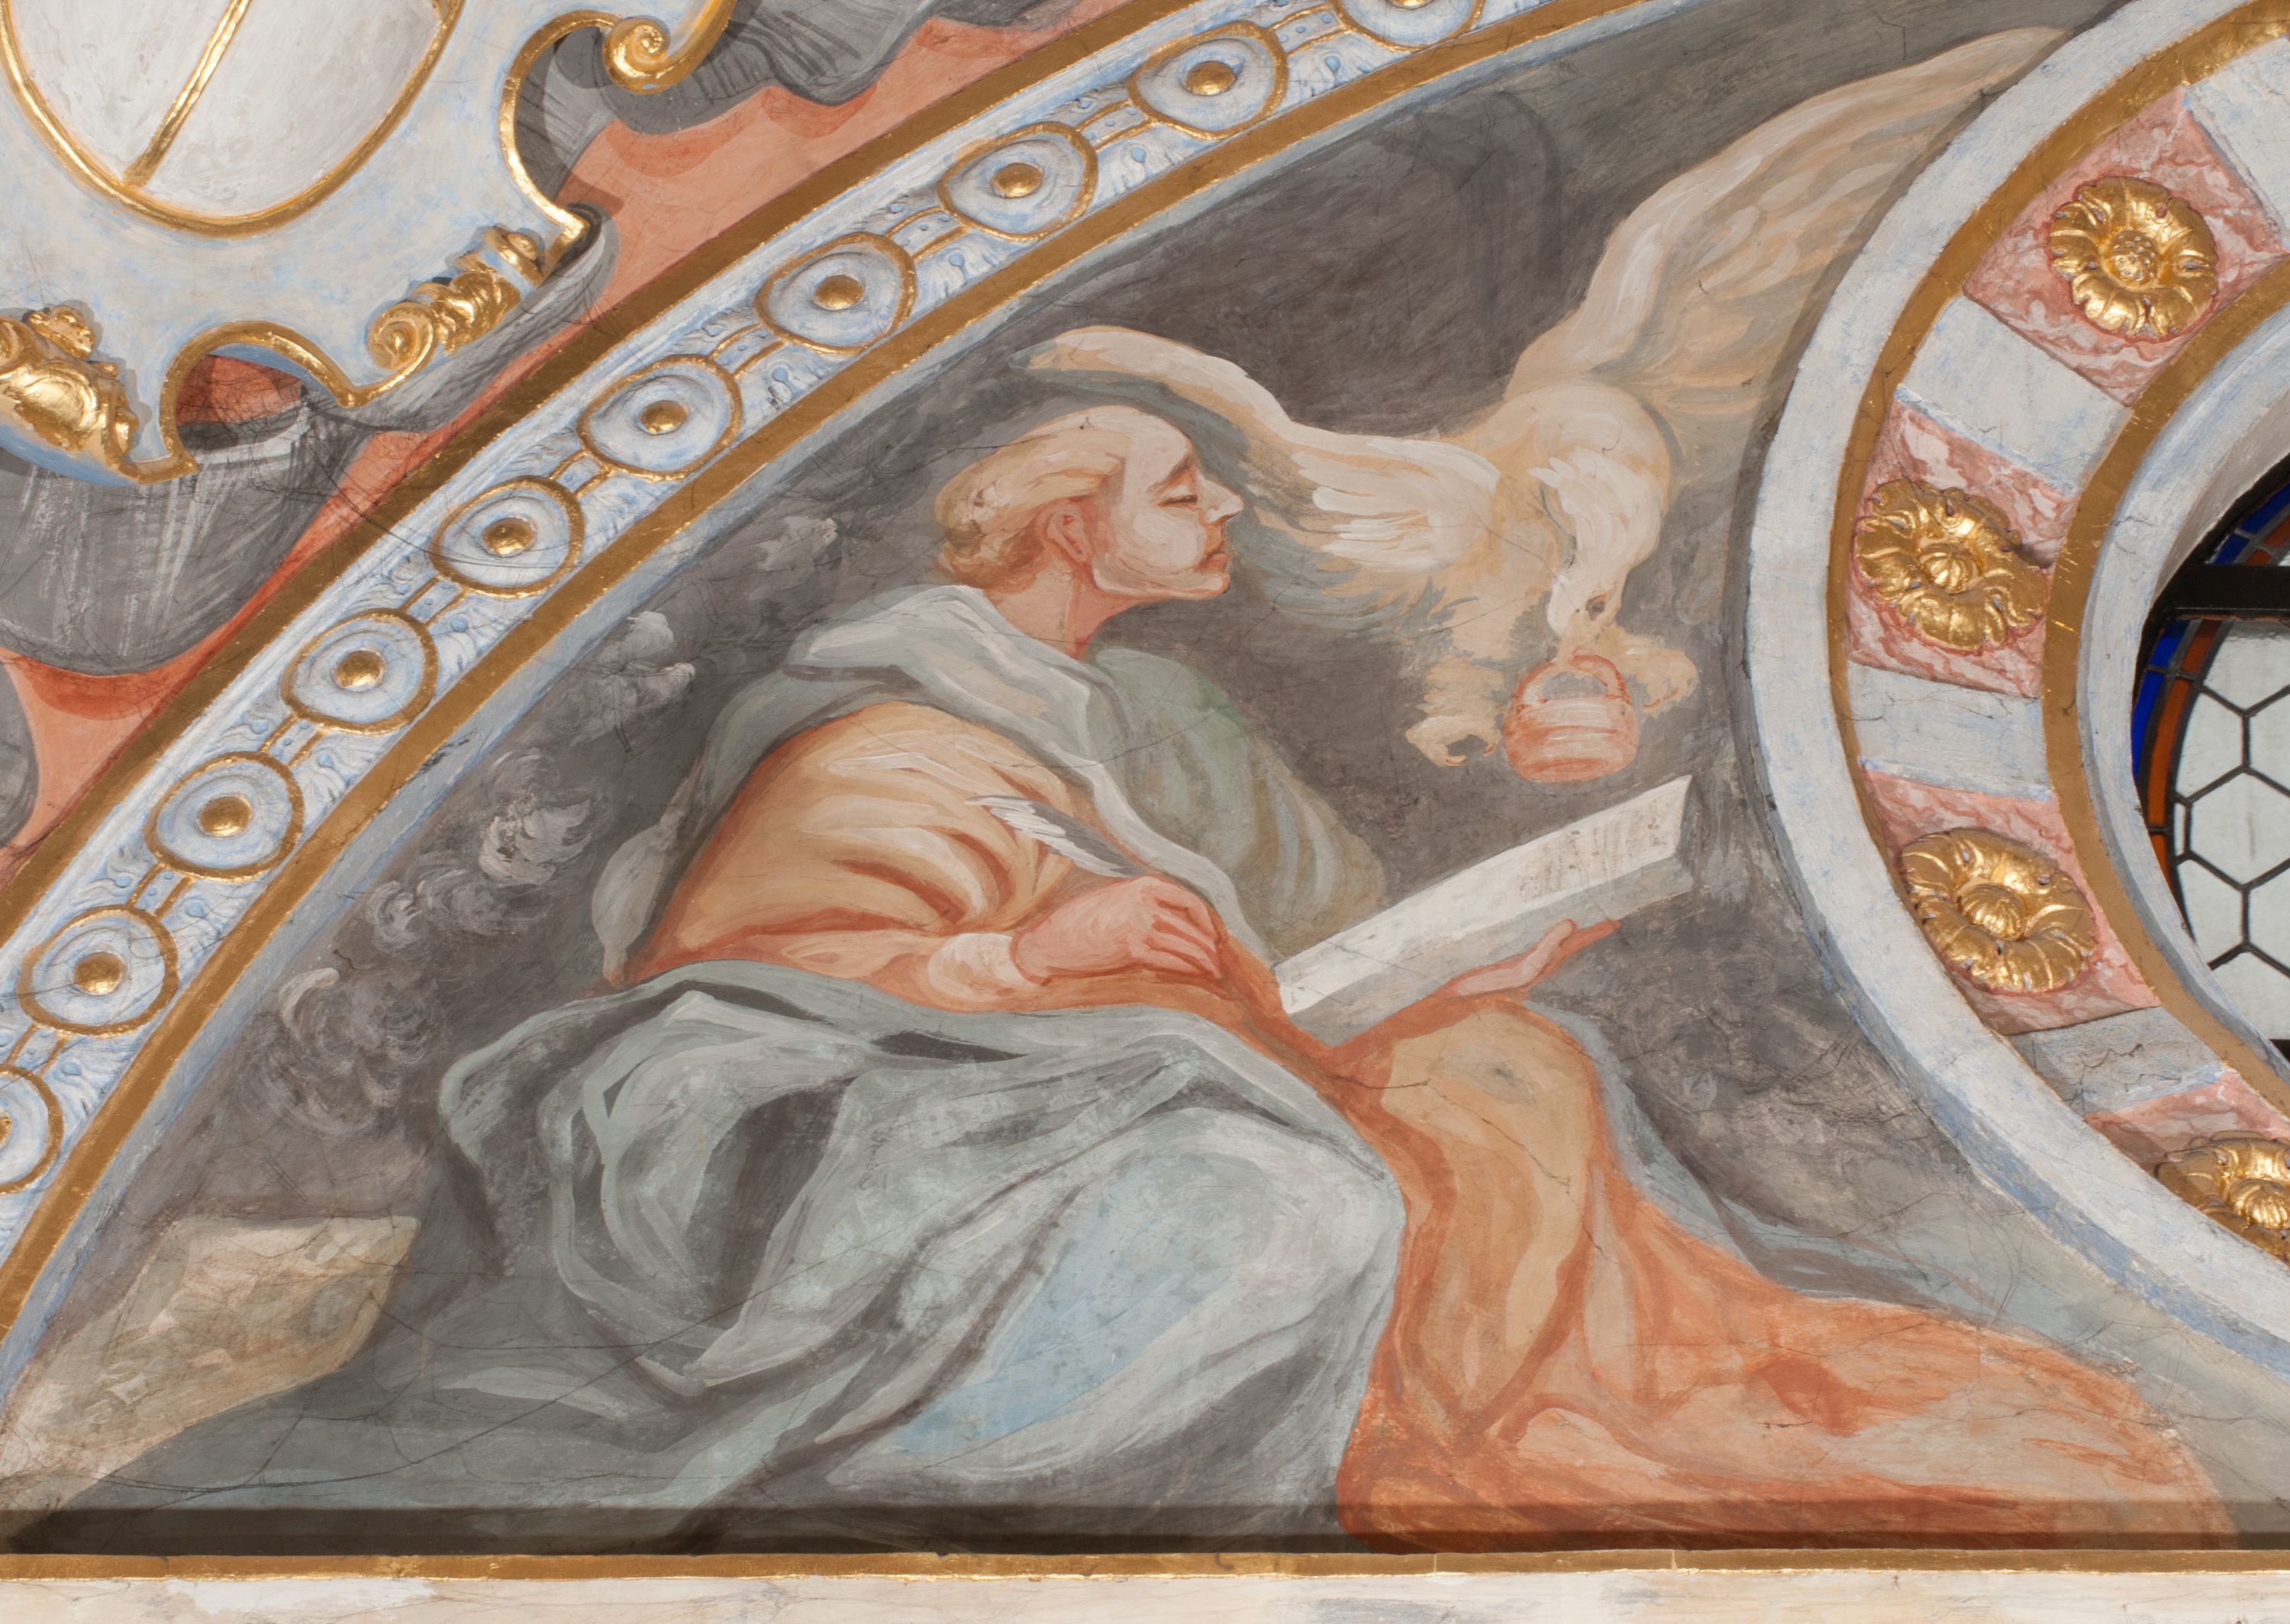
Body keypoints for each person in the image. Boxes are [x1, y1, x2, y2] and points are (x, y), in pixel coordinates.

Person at [52, 407, 2228, 1553]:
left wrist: (1490, 923)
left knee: (1512, 1069)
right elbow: (727, 983)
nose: (1227, 524)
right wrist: (1031, 950)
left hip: (1101, 1065)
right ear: (1075, 531)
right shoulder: (888, 712)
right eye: (1190, 496)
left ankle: (1491, 1408)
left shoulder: (1141, 721)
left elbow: (1276, 957)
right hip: (859, 1101)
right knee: (1309, 1197)